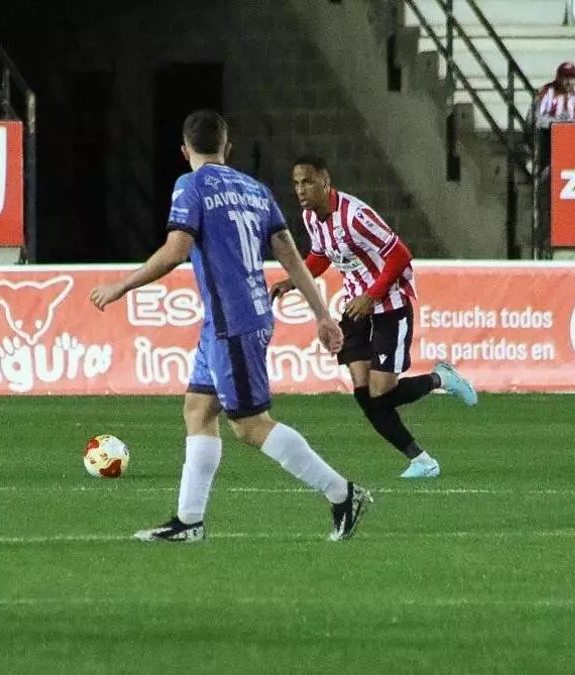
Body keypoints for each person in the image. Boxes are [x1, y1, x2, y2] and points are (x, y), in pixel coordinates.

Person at [89, 110, 372, 543]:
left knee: (250, 425)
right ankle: (189, 521)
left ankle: (342, 493)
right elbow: (291, 256)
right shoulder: (255, 189)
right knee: (198, 410)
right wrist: (322, 316)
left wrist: (122, 285)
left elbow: (176, 249)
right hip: (235, 319)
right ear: (229, 147)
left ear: (185, 151)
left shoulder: (191, 185)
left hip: (233, 322)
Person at [272, 156, 478, 479]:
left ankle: (442, 379)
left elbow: (400, 255)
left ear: (325, 182)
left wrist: (372, 295)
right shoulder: (311, 217)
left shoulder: (355, 216)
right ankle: (421, 459)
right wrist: (293, 280)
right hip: (356, 308)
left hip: (389, 306)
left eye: (307, 182)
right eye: (296, 183)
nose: (301, 190)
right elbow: (321, 255)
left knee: (381, 392)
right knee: (363, 392)